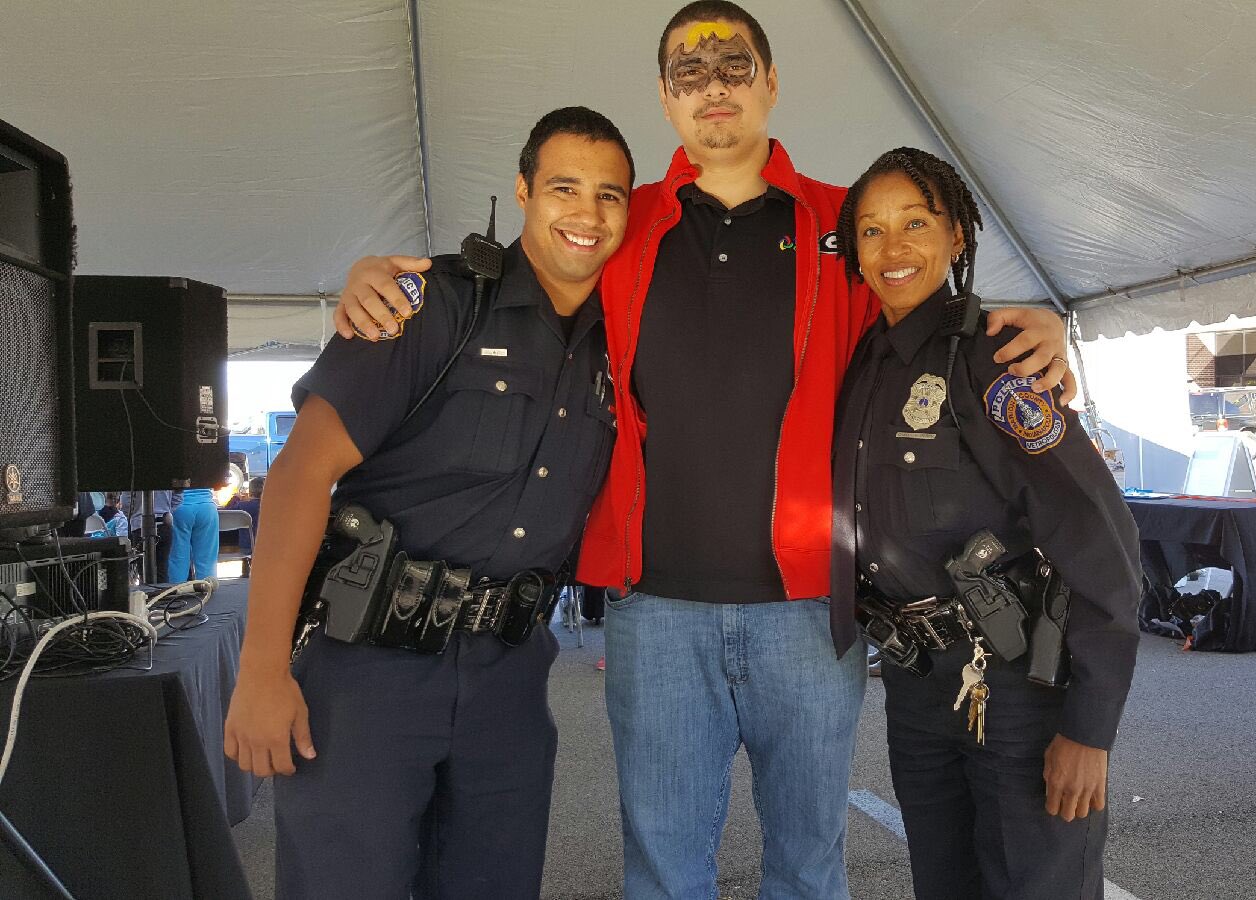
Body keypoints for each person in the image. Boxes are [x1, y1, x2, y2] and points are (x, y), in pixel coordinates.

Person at [332, 5, 1072, 896]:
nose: (713, 88)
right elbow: (517, 276)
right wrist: (379, 273)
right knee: (663, 873)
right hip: (656, 615)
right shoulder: (619, 221)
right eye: (691, 73)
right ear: (665, 96)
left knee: (808, 869)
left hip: (811, 612)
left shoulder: (843, 223)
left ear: (771, 83)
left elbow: (921, 302)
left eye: (734, 68)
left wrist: (1029, 323)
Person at [223, 107, 632, 898]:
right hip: (370, 671)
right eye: (564, 187)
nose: (587, 213)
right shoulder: (433, 303)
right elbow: (301, 473)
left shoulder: (619, 342)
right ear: (523, 191)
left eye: (608, 195)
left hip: (510, 678)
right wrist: (262, 671)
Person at [833, 147, 1140, 899]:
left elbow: (1098, 537)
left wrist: (1090, 727)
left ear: (957, 237)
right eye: (872, 230)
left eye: (915, 223)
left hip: (1015, 688)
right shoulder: (862, 362)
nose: (894, 248)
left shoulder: (997, 358)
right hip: (915, 684)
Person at [168, 485, 220, 582]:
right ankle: (207, 586)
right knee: (207, 558)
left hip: (180, 507)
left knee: (178, 557)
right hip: (207, 507)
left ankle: (177, 588)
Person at [223, 476, 265, 553]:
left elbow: (225, 514)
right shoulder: (271, 506)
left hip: (247, 546)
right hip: (267, 546)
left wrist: (236, 498)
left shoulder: (242, 506)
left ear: (250, 492)